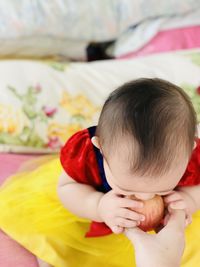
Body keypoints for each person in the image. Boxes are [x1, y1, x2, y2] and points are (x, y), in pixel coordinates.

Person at [0, 78, 200, 267]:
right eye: (126, 187)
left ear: (189, 150)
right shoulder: (85, 155)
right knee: (54, 237)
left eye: (163, 189)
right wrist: (98, 206)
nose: (143, 197)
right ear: (101, 147)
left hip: (164, 231)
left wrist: (187, 201)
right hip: (93, 214)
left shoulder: (188, 156)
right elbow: (68, 187)